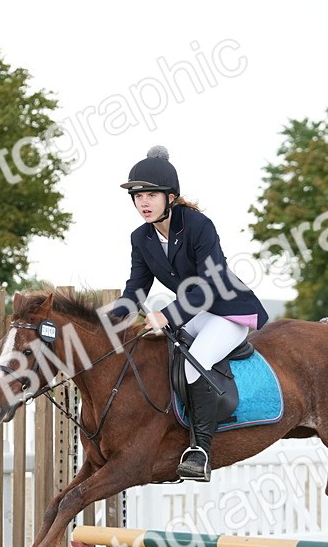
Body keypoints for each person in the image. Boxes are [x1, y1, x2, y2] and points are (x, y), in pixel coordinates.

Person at [109, 146, 268, 481]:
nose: (143, 203)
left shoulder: (198, 226)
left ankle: (200, 451)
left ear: (171, 197)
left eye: (151, 195)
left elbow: (211, 284)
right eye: (138, 197)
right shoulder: (141, 238)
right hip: (196, 310)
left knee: (195, 366)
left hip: (228, 310)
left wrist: (167, 315)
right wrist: (108, 322)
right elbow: (136, 288)